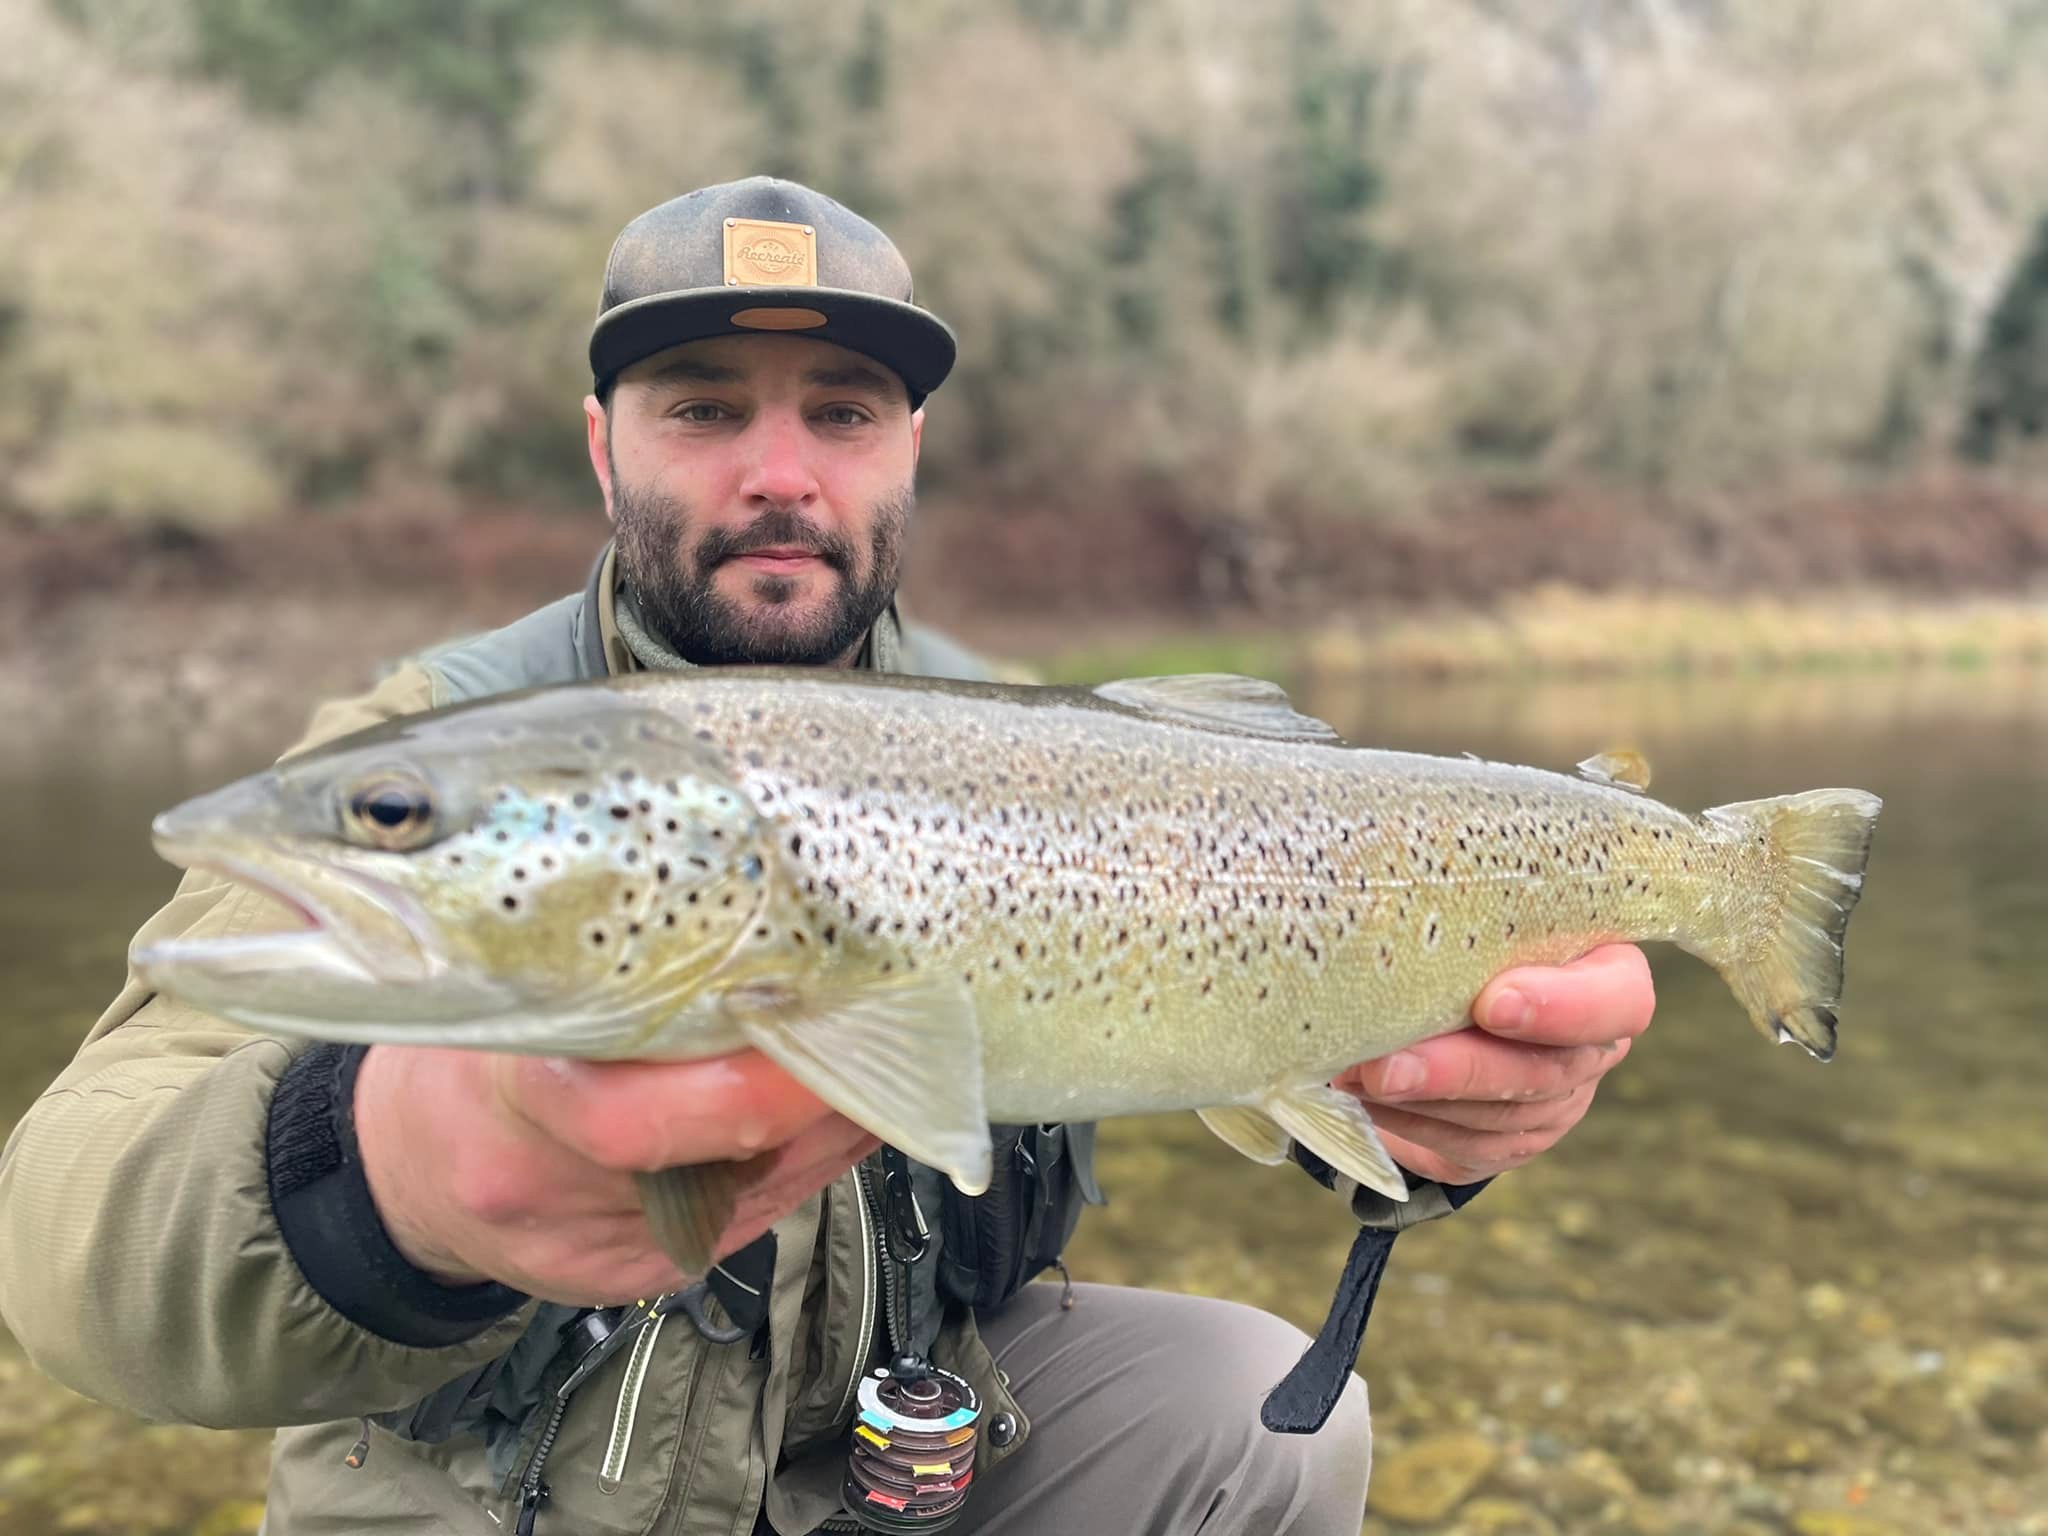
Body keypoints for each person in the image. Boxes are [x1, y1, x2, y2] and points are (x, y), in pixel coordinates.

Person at [0, 177, 1656, 1535]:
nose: (778, 475)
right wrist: (384, 1182)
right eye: (703, 408)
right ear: (603, 444)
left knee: (1267, 1426)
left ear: (910, 448)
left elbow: (1237, 995)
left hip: (868, 1474)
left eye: (843, 414)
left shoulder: (1044, 749)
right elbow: (65, 1243)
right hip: (494, 1496)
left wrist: (1432, 1117)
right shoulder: (426, 745)